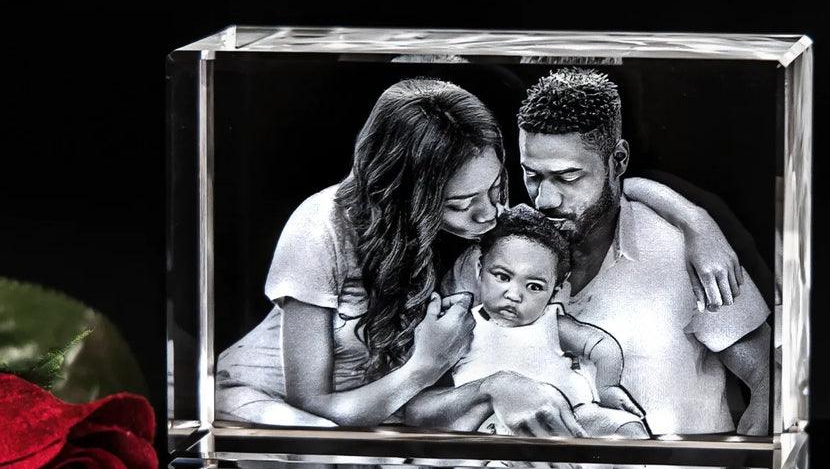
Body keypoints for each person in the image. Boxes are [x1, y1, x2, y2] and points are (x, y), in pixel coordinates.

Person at [215, 75, 744, 436]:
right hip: (282, 407)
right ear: (409, 195)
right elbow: (319, 406)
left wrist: (697, 222)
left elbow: (597, 186)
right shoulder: (321, 227)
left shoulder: (475, 223)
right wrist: (431, 365)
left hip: (383, 405)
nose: (492, 215)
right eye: (462, 204)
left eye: (498, 187)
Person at [443, 67, 772, 436]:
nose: (545, 199)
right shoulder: (488, 261)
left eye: (568, 177)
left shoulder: (682, 253)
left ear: (617, 161)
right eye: (532, 175)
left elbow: (768, 379)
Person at [451, 204, 649, 439]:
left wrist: (607, 388)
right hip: (497, 428)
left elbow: (601, 346)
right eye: (503, 277)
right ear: (479, 270)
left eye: (534, 286)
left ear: (555, 291)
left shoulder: (550, 324)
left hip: (574, 418)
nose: (514, 295)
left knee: (627, 427)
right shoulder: (461, 325)